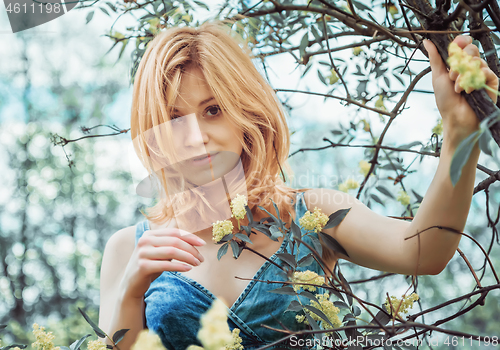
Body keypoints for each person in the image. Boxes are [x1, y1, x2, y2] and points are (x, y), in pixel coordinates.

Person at [98, 23, 499, 350]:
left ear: (245, 113)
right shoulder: (127, 249)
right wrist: (131, 293)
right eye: (174, 118)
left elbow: (424, 251)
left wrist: (459, 133)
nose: (195, 136)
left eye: (213, 110)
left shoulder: (313, 214)